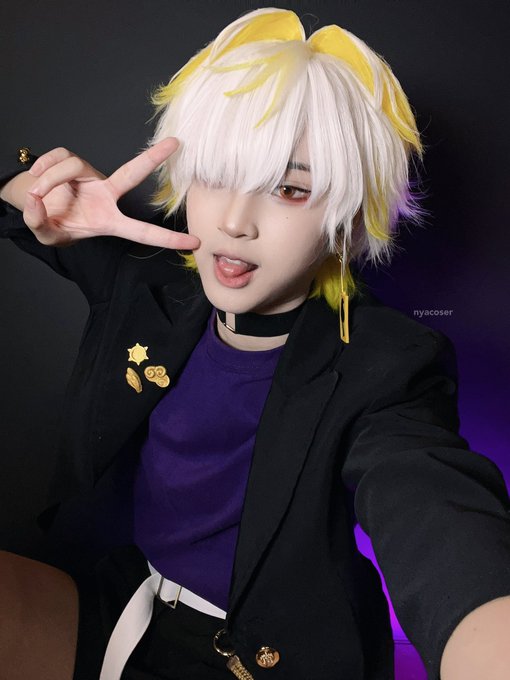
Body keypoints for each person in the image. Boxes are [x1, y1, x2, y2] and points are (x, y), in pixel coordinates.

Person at [1, 7, 509, 680]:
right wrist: (38, 195)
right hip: (120, 600)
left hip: (257, 655)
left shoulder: (385, 363)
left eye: (290, 188)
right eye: (216, 174)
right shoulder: (150, 276)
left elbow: (437, 517)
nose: (235, 223)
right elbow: (13, 206)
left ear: (346, 216)